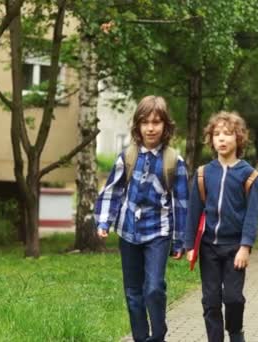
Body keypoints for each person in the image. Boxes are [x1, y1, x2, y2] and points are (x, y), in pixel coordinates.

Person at [94, 95, 188, 342]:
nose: (150, 127)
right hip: (128, 231)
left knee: (154, 288)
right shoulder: (127, 156)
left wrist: (179, 242)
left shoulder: (173, 161)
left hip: (158, 231)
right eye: (145, 122)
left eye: (156, 122)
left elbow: (181, 204)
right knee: (133, 292)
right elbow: (112, 191)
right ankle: (140, 338)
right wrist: (104, 222)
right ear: (137, 126)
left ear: (165, 126)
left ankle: (157, 336)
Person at [185, 111, 258, 342]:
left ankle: (236, 332)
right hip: (208, 248)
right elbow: (193, 212)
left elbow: (252, 215)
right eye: (217, 134)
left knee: (233, 298)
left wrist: (245, 246)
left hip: (234, 248)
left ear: (238, 139)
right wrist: (190, 244)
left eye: (227, 134)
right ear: (211, 140)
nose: (221, 138)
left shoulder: (249, 176)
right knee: (210, 301)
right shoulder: (203, 174)